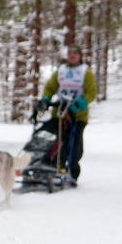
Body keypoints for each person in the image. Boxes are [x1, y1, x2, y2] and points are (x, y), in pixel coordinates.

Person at [35, 44, 97, 183]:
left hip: (77, 115)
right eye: (70, 53)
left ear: (79, 56)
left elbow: (91, 92)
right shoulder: (61, 70)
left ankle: (72, 171)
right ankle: (49, 165)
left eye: (75, 53)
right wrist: (46, 99)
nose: (72, 56)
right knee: (52, 139)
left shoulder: (85, 72)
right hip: (59, 113)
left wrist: (82, 102)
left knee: (74, 144)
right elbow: (50, 87)